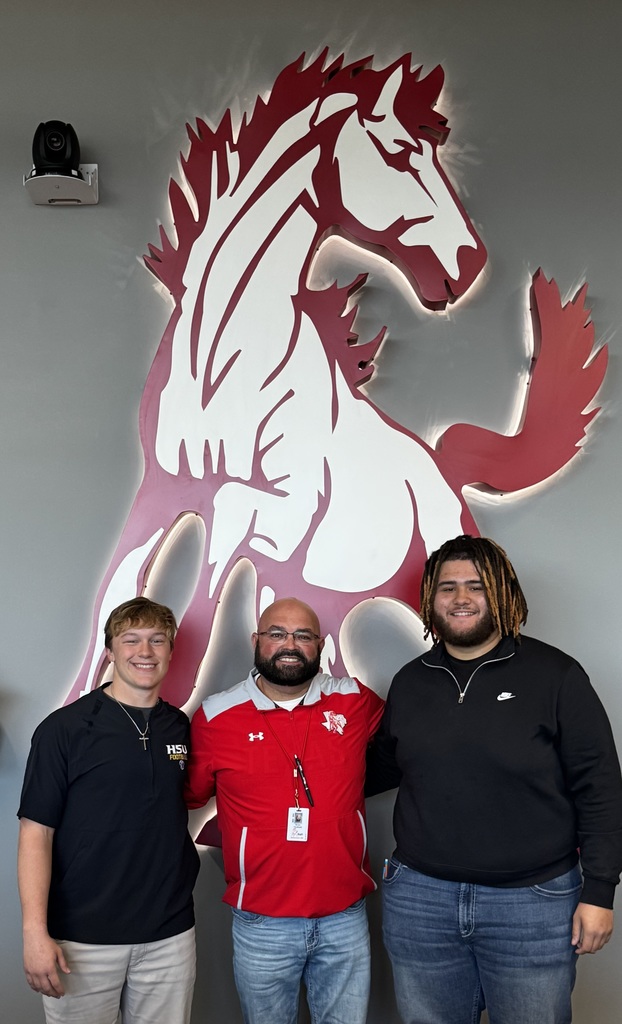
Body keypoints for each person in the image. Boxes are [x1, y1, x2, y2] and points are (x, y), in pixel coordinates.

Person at [367, 535, 622, 1024]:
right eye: (447, 587)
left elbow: (601, 790)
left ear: (502, 593)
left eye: (476, 586)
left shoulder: (556, 676)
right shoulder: (411, 680)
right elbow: (381, 768)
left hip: (534, 903)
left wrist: (600, 891)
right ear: (429, 599)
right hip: (421, 901)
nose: (461, 598)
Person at [185, 597, 384, 1024]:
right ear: (257, 641)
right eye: (277, 634)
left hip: (344, 918)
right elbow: (191, 793)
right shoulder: (215, 716)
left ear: (321, 644)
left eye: (303, 635)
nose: (289, 644)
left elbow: (420, 739)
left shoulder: (353, 699)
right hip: (262, 922)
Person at [17, 597, 200, 1024]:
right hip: (81, 939)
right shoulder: (63, 730)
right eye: (131, 639)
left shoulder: (180, 726)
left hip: (169, 934)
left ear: (171, 650)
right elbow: (35, 834)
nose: (145, 651)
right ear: (110, 650)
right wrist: (34, 933)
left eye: (158, 640)